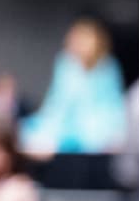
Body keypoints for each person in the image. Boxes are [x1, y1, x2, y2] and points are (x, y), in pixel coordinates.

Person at [18, 15, 128, 157]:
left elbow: (112, 106)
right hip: (64, 121)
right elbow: (57, 99)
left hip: (98, 125)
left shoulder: (108, 66)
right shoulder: (65, 62)